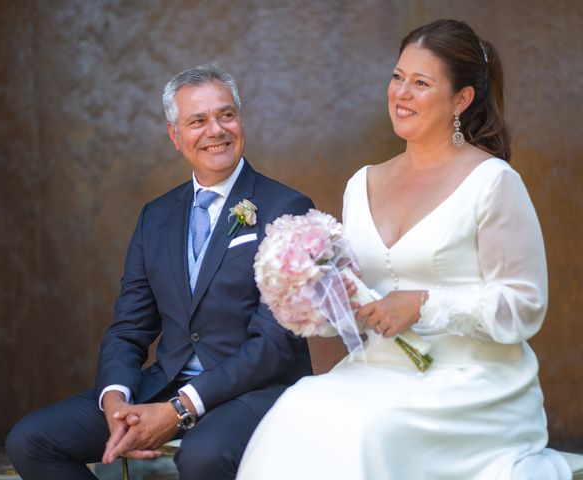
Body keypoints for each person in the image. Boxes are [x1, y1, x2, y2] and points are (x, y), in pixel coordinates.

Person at [236, 19, 572, 479]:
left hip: (471, 385)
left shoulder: (492, 183)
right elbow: (362, 295)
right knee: (296, 407)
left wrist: (423, 305)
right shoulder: (363, 183)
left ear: (461, 99)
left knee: (366, 431)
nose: (401, 93)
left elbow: (523, 306)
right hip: (375, 370)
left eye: (421, 83)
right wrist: (319, 296)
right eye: (397, 78)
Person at [6, 62, 313, 480]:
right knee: (32, 440)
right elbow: (129, 328)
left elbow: (275, 344)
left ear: (240, 120)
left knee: (203, 456)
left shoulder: (287, 208)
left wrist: (181, 408)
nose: (216, 130)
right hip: (164, 384)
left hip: (256, 389)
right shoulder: (156, 216)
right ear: (175, 135)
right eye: (197, 121)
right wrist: (115, 399)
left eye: (226, 115)